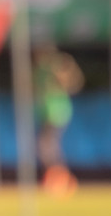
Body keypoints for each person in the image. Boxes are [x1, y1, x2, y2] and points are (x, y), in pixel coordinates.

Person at [34, 46, 83, 197]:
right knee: (46, 148)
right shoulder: (41, 71)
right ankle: (58, 180)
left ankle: (61, 181)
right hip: (47, 114)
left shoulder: (57, 66)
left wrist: (62, 73)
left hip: (57, 114)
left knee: (48, 148)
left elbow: (74, 83)